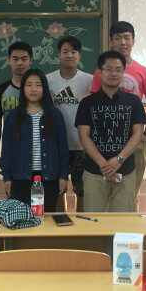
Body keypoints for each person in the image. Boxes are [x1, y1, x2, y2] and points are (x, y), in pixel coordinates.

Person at [90, 22, 146, 202]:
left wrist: (145, 134)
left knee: (130, 193)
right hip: (106, 142)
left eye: (127, 37)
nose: (123, 42)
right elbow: (94, 106)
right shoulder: (100, 72)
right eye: (118, 38)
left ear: (133, 40)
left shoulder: (143, 71)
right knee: (103, 192)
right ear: (111, 41)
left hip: (134, 140)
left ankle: (129, 220)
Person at [76, 50, 146, 212]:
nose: (113, 73)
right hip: (94, 172)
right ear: (100, 72)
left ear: (123, 72)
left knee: (122, 221)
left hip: (126, 171)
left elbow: (137, 134)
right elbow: (84, 136)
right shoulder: (87, 103)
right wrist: (103, 164)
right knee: (94, 221)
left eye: (118, 69)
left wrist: (119, 159)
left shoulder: (134, 102)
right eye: (108, 69)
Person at [2, 69, 70, 212]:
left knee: (47, 218)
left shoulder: (55, 115)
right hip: (20, 178)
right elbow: (7, 149)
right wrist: (7, 177)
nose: (33, 89)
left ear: (44, 88)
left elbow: (63, 148)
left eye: (38, 85)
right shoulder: (13, 116)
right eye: (29, 85)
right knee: (22, 218)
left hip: (49, 177)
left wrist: (63, 176)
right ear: (23, 88)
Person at [47, 36, 93, 211]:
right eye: (65, 51)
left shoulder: (89, 80)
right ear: (58, 55)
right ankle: (61, 222)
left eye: (74, 52)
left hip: (83, 145)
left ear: (79, 55)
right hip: (57, 146)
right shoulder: (48, 80)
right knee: (58, 190)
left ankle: (82, 224)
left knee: (83, 191)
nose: (69, 55)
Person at [0, 41, 32, 174]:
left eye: (24, 59)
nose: (20, 63)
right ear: (8, 61)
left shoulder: (42, 89)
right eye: (15, 59)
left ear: (30, 61)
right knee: (13, 187)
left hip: (37, 152)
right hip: (11, 152)